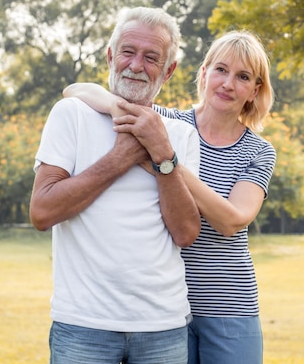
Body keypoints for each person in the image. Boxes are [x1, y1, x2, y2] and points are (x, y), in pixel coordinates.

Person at [64, 30, 277, 364]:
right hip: (169, 309)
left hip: (230, 306)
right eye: (220, 70)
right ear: (204, 73)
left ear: (255, 90)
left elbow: (232, 220)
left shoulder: (258, 151)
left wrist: (165, 160)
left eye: (243, 77)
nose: (228, 83)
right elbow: (76, 90)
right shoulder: (169, 123)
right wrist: (115, 107)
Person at [29, 7, 202, 364]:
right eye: (127, 51)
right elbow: (42, 212)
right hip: (82, 323)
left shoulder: (182, 136)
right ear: (110, 56)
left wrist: (162, 153)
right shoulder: (72, 114)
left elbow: (186, 233)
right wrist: (121, 157)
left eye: (151, 57)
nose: (136, 65)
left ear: (168, 71)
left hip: (163, 324)